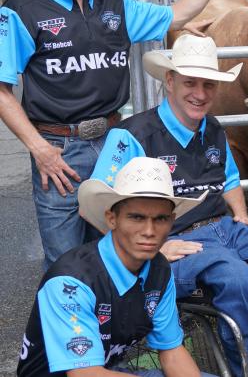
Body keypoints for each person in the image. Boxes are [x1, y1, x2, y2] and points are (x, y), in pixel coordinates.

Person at [0, 0, 248, 269]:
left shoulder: (115, 5)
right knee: (65, 259)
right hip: (58, 149)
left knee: (121, 249)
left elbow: (176, 15)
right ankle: (68, 324)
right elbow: (1, 89)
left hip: (114, 140)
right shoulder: (21, 10)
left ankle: (121, 325)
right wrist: (39, 149)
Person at [90, 35, 248, 377]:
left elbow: (228, 178)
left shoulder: (212, 128)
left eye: (208, 84)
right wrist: (151, 249)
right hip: (175, 240)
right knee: (234, 275)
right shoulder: (132, 135)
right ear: (169, 81)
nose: (200, 94)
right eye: (190, 83)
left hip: (222, 228)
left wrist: (242, 216)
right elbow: (98, 202)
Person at [18, 157, 209, 376]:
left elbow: (172, 352)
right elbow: (85, 374)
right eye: (136, 217)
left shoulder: (159, 270)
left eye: (160, 219)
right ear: (111, 219)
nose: (149, 230)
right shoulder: (70, 282)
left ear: (172, 221)